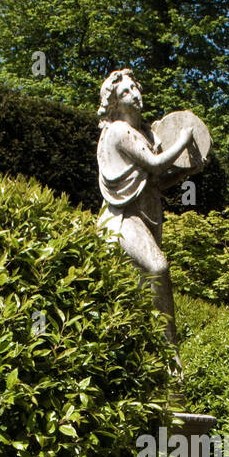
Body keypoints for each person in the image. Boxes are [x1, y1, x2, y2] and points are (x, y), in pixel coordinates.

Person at [96, 68, 194, 347]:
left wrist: (188, 172)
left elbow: (154, 181)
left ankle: (157, 343)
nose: (135, 95)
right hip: (122, 218)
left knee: (145, 283)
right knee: (158, 267)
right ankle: (167, 346)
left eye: (135, 88)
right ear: (114, 102)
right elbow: (154, 164)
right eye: (125, 92)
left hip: (145, 218)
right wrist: (182, 141)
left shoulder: (145, 134)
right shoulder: (117, 131)